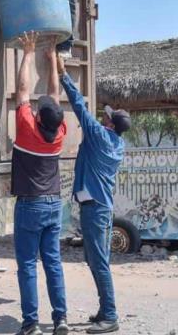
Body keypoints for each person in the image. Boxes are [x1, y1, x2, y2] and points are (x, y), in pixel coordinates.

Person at [56, 55, 131, 334]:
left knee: (98, 262)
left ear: (110, 125)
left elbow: (79, 107)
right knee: (94, 259)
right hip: (100, 208)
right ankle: (104, 309)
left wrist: (64, 76)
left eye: (107, 117)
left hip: (96, 209)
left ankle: (110, 315)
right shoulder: (116, 144)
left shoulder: (100, 136)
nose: (104, 116)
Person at [11, 32, 69, 335]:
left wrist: (29, 52)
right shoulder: (58, 132)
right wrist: (52, 62)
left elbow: (21, 90)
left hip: (31, 204)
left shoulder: (26, 129)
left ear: (37, 116)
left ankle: (31, 323)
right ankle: (61, 320)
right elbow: (54, 98)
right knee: (53, 264)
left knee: (27, 266)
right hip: (53, 203)